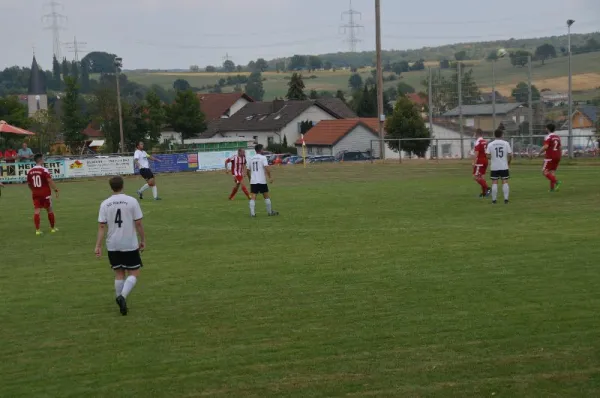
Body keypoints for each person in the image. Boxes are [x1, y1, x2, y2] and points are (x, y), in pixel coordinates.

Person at [95, 176, 146, 316]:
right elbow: (139, 223)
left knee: (119, 273)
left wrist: (98, 246)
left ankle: (120, 302)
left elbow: (101, 226)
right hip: (129, 242)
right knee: (134, 272)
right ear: (123, 185)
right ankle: (122, 297)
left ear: (111, 187)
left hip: (113, 244)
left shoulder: (105, 204)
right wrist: (143, 240)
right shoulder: (132, 201)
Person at [26, 154, 59, 235]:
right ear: (40, 160)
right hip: (45, 194)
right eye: (43, 159)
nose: (44, 160)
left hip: (36, 194)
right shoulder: (44, 170)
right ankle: (52, 228)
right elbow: (49, 180)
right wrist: (56, 189)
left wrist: (33, 190)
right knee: (49, 210)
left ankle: (37, 230)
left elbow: (29, 184)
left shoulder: (30, 171)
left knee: (37, 211)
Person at [247, 144, 278, 217]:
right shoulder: (263, 158)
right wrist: (270, 177)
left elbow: (247, 171)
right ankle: (270, 212)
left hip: (254, 180)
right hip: (261, 180)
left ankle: (252, 214)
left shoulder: (250, 158)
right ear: (260, 150)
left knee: (253, 196)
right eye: (263, 149)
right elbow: (267, 168)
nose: (263, 150)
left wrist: (250, 179)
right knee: (266, 196)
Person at [486, 129, 512, 204]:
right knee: (505, 181)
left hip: (494, 166)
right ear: (502, 135)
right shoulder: (506, 143)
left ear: (494, 135)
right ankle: (506, 200)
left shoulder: (490, 144)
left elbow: (487, 155)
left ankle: (494, 200)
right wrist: (509, 162)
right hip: (504, 166)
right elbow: (510, 155)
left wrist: (493, 158)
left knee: (494, 182)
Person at [539, 123, 562, 192]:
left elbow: (546, 147)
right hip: (557, 156)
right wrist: (559, 155)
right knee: (552, 172)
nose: (545, 129)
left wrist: (540, 152)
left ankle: (557, 182)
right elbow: (560, 147)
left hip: (550, 157)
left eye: (546, 128)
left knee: (544, 172)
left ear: (548, 129)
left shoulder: (548, 137)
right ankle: (552, 189)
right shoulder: (557, 137)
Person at [472, 129, 491, 198]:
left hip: (480, 161)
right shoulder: (484, 141)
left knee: (476, 177)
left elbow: (476, 153)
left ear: (477, 134)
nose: (474, 135)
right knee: (482, 177)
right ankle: (484, 193)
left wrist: (474, 162)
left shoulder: (478, 142)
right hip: (485, 160)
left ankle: (488, 188)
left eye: (474, 134)